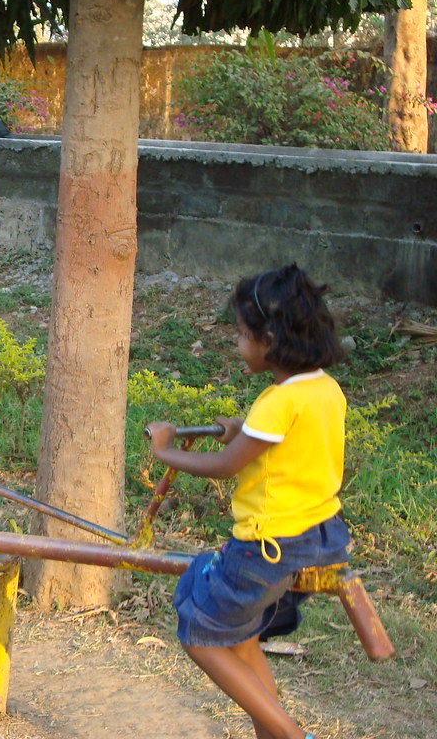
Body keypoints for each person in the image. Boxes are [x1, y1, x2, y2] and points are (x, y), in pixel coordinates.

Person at [145, 264, 350, 739]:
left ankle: (292, 734)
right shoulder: (324, 390)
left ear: (271, 339)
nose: (238, 345)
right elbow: (286, 452)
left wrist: (164, 449)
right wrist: (243, 433)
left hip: (267, 545)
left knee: (200, 633)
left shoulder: (275, 403)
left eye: (242, 334)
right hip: (320, 536)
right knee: (240, 633)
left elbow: (224, 466)